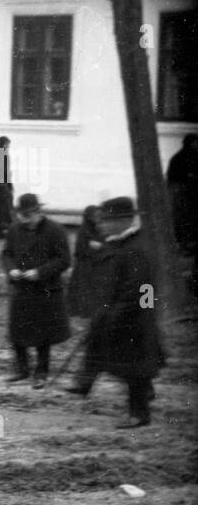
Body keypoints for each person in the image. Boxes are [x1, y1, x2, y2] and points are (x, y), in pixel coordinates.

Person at [82, 197, 165, 428]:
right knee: (132, 366)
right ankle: (144, 394)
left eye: (107, 221)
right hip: (133, 315)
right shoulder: (123, 244)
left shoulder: (135, 247)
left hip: (134, 318)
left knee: (134, 368)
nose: (102, 225)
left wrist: (116, 314)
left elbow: (140, 288)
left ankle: (139, 415)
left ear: (124, 221)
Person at [0, 193, 71, 388]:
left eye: (28, 216)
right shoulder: (15, 230)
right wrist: (11, 269)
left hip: (45, 289)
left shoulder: (55, 230)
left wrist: (39, 272)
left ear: (38, 212)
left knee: (43, 335)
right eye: (21, 216)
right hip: (21, 289)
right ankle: (22, 369)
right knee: (17, 332)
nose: (24, 220)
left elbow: (64, 260)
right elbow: (6, 254)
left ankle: (41, 372)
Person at [64, 205, 108, 396]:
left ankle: (143, 390)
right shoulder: (88, 232)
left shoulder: (130, 245)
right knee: (95, 342)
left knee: (129, 352)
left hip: (121, 304)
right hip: (106, 298)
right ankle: (84, 383)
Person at [166, 133, 198, 295]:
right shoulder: (180, 158)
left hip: (188, 197)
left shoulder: (187, 157)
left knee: (187, 222)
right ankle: (185, 245)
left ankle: (187, 244)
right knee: (183, 221)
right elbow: (175, 179)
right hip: (182, 197)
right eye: (194, 142)